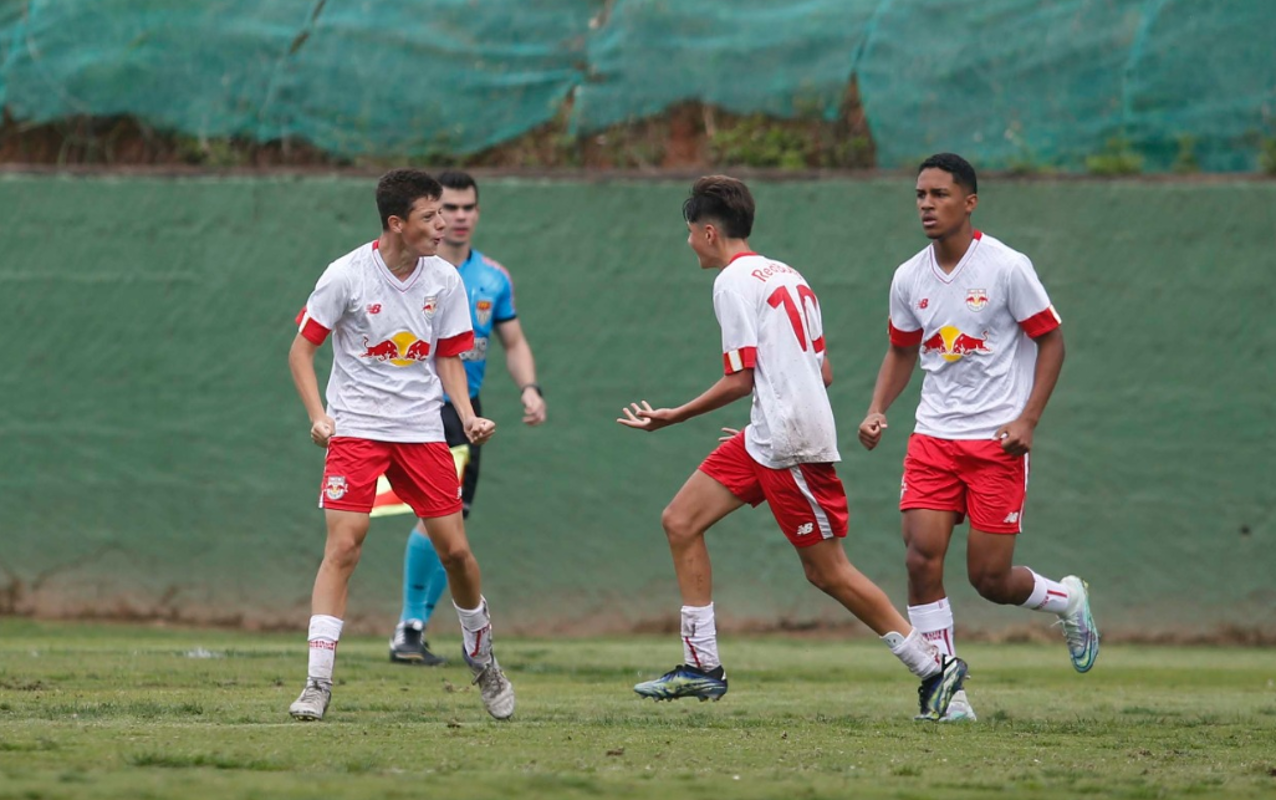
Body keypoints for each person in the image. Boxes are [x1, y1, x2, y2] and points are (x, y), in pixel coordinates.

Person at [617, 175, 968, 721]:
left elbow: (739, 378)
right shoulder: (786, 273)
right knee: (680, 520)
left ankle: (933, 667)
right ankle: (701, 666)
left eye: (690, 233)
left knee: (827, 571)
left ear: (709, 232)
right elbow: (820, 370)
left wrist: (674, 416)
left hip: (790, 444)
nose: (688, 243)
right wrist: (763, 423)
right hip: (769, 436)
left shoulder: (732, 282)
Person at [857, 153, 1099, 722]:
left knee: (989, 579)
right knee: (920, 559)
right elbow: (900, 350)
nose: (926, 204)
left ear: (969, 202)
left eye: (939, 194)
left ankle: (1067, 599)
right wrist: (876, 409)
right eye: (920, 194)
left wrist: (1028, 421)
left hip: (997, 444)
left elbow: (1052, 342)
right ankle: (948, 694)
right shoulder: (908, 276)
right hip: (933, 438)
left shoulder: (1007, 267)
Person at [287, 168, 514, 722]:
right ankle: (317, 683)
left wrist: (466, 415)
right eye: (430, 216)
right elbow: (300, 352)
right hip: (357, 428)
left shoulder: (445, 280)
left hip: (421, 429)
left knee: (455, 552)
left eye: (445, 214)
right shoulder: (346, 275)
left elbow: (450, 357)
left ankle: (483, 660)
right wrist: (319, 417)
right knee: (344, 545)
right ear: (397, 223)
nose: (443, 226)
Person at [384, 170, 547, 667]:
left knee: (450, 523)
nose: (455, 217)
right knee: (433, 522)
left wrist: (530, 388)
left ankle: (413, 630)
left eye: (465, 207)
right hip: (410, 408)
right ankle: (409, 627)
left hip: (461, 414)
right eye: (445, 208)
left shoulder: (492, 278)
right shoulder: (406, 271)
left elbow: (512, 340)